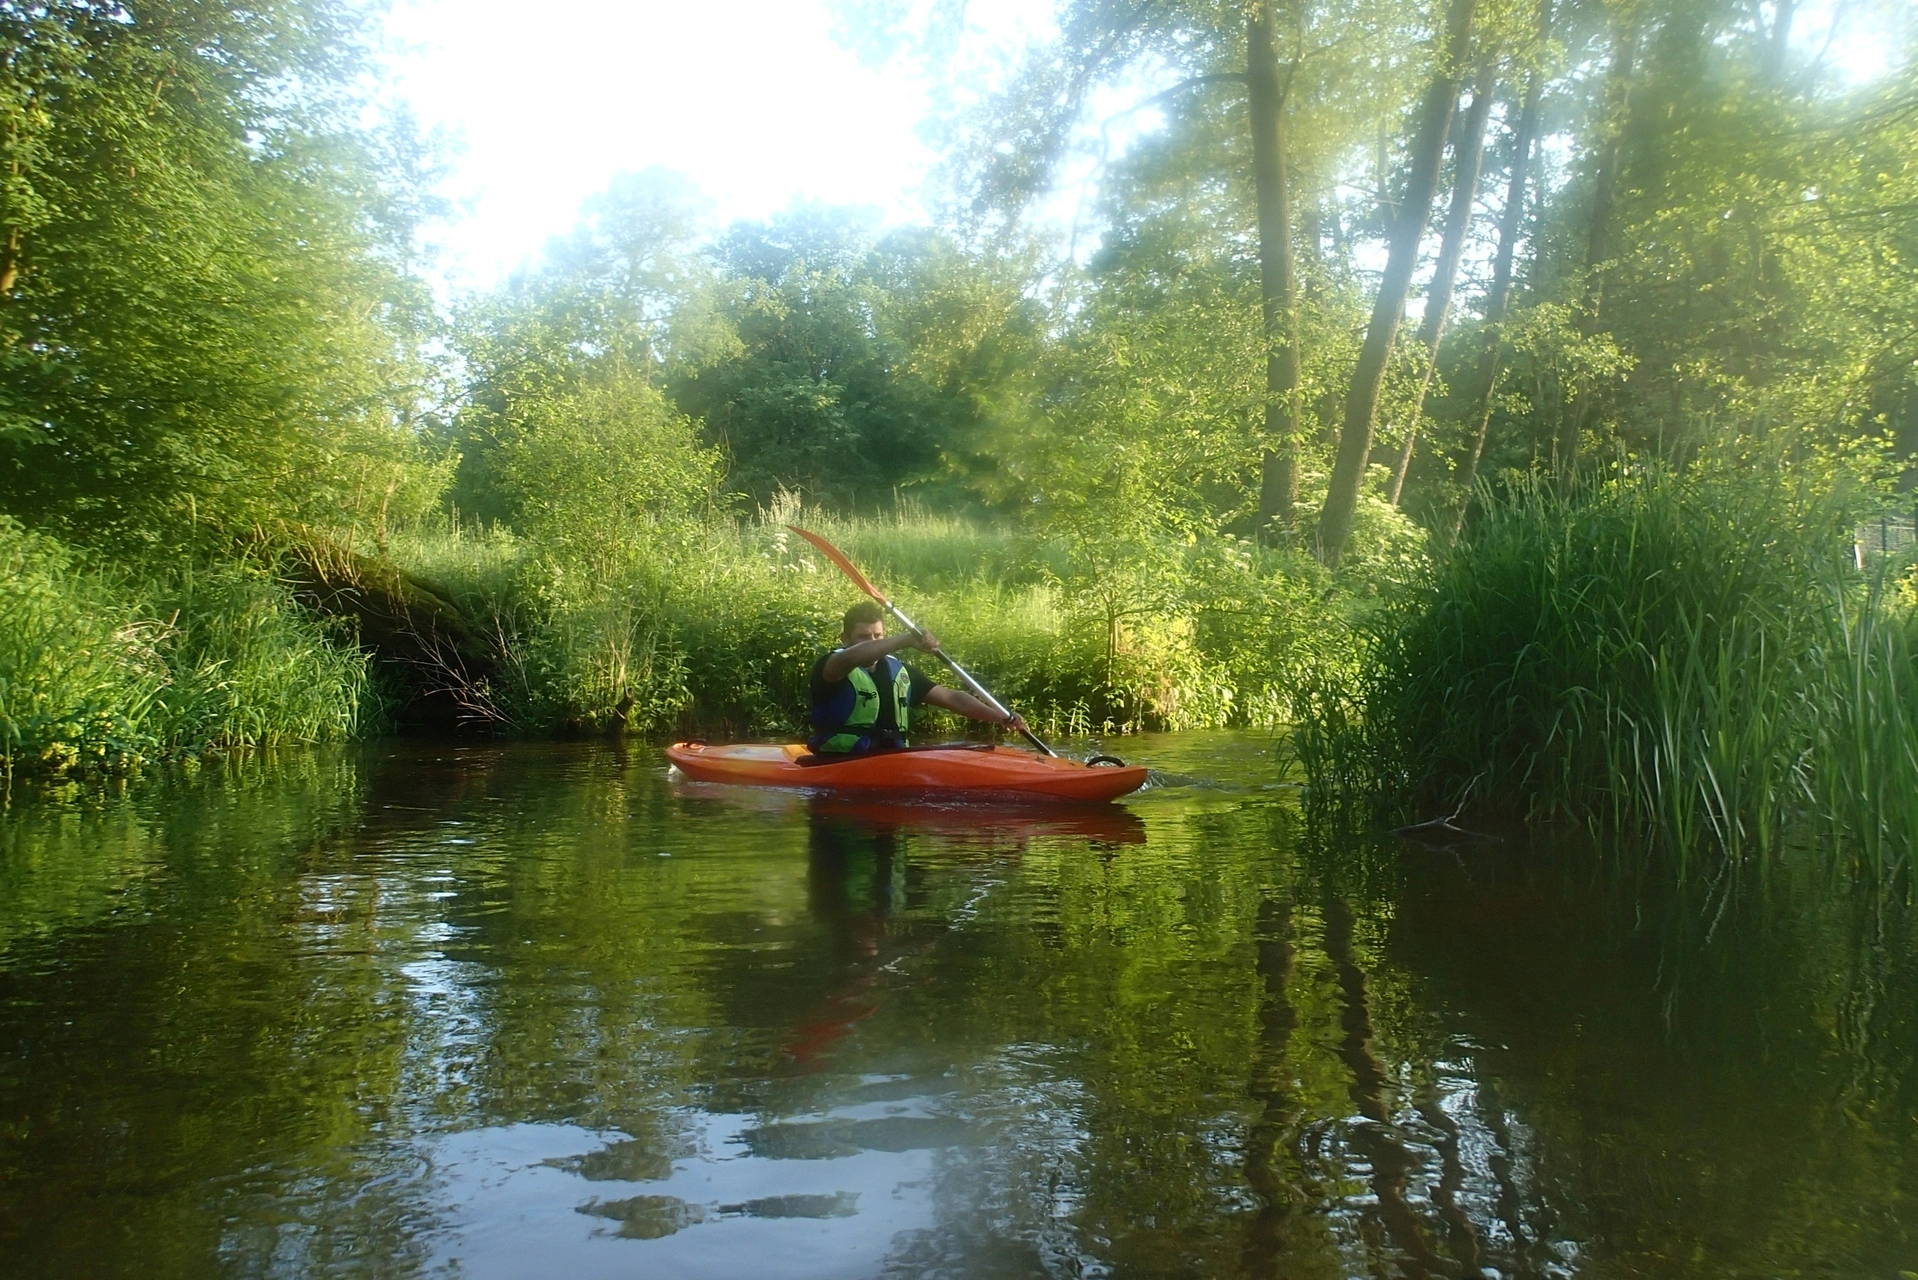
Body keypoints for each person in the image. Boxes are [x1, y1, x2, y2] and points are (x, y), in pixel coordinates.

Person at [808, 601, 1028, 754]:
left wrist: (999, 716)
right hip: (838, 762)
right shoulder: (833, 666)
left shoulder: (898, 672)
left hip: (892, 760)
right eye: (864, 637)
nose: (874, 642)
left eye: (878, 636)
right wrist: (907, 639)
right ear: (845, 639)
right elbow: (853, 656)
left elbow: (952, 698)